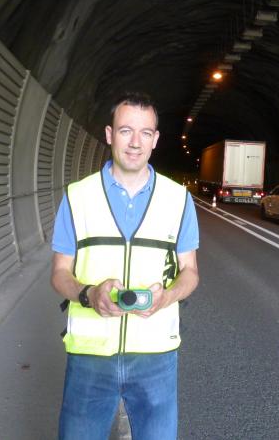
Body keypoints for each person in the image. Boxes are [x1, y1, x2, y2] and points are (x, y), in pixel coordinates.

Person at [51, 92, 200, 440]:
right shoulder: (77, 196)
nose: (135, 143)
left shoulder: (179, 200)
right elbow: (59, 272)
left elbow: (190, 271)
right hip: (91, 355)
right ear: (108, 134)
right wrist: (89, 295)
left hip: (155, 355)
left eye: (145, 133)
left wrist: (168, 296)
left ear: (156, 139)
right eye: (125, 131)